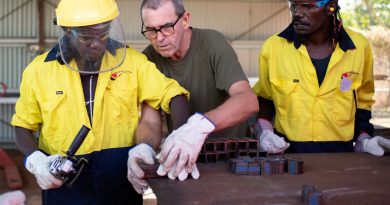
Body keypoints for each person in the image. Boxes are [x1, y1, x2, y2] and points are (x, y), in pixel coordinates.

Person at [11, 0, 190, 204]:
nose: (96, 43)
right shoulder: (39, 71)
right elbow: (22, 126)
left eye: (103, 33)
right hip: (65, 182)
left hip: (121, 176)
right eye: (87, 37)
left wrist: (182, 137)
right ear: (67, 31)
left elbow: (175, 96)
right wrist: (36, 159)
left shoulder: (132, 62)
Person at [139, 0, 259, 180]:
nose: (160, 38)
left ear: (185, 20)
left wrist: (200, 126)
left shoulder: (212, 43)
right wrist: (144, 147)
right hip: (185, 162)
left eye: (166, 28)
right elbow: (150, 121)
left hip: (235, 158)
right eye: (151, 30)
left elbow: (248, 100)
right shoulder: (148, 59)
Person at [253, 0, 390, 155]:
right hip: (287, 157)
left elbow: (362, 102)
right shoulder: (273, 48)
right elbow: (264, 99)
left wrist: (363, 138)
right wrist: (264, 131)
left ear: (331, 7)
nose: (297, 12)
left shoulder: (358, 48)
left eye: (308, 6)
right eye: (294, 5)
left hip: (342, 159)